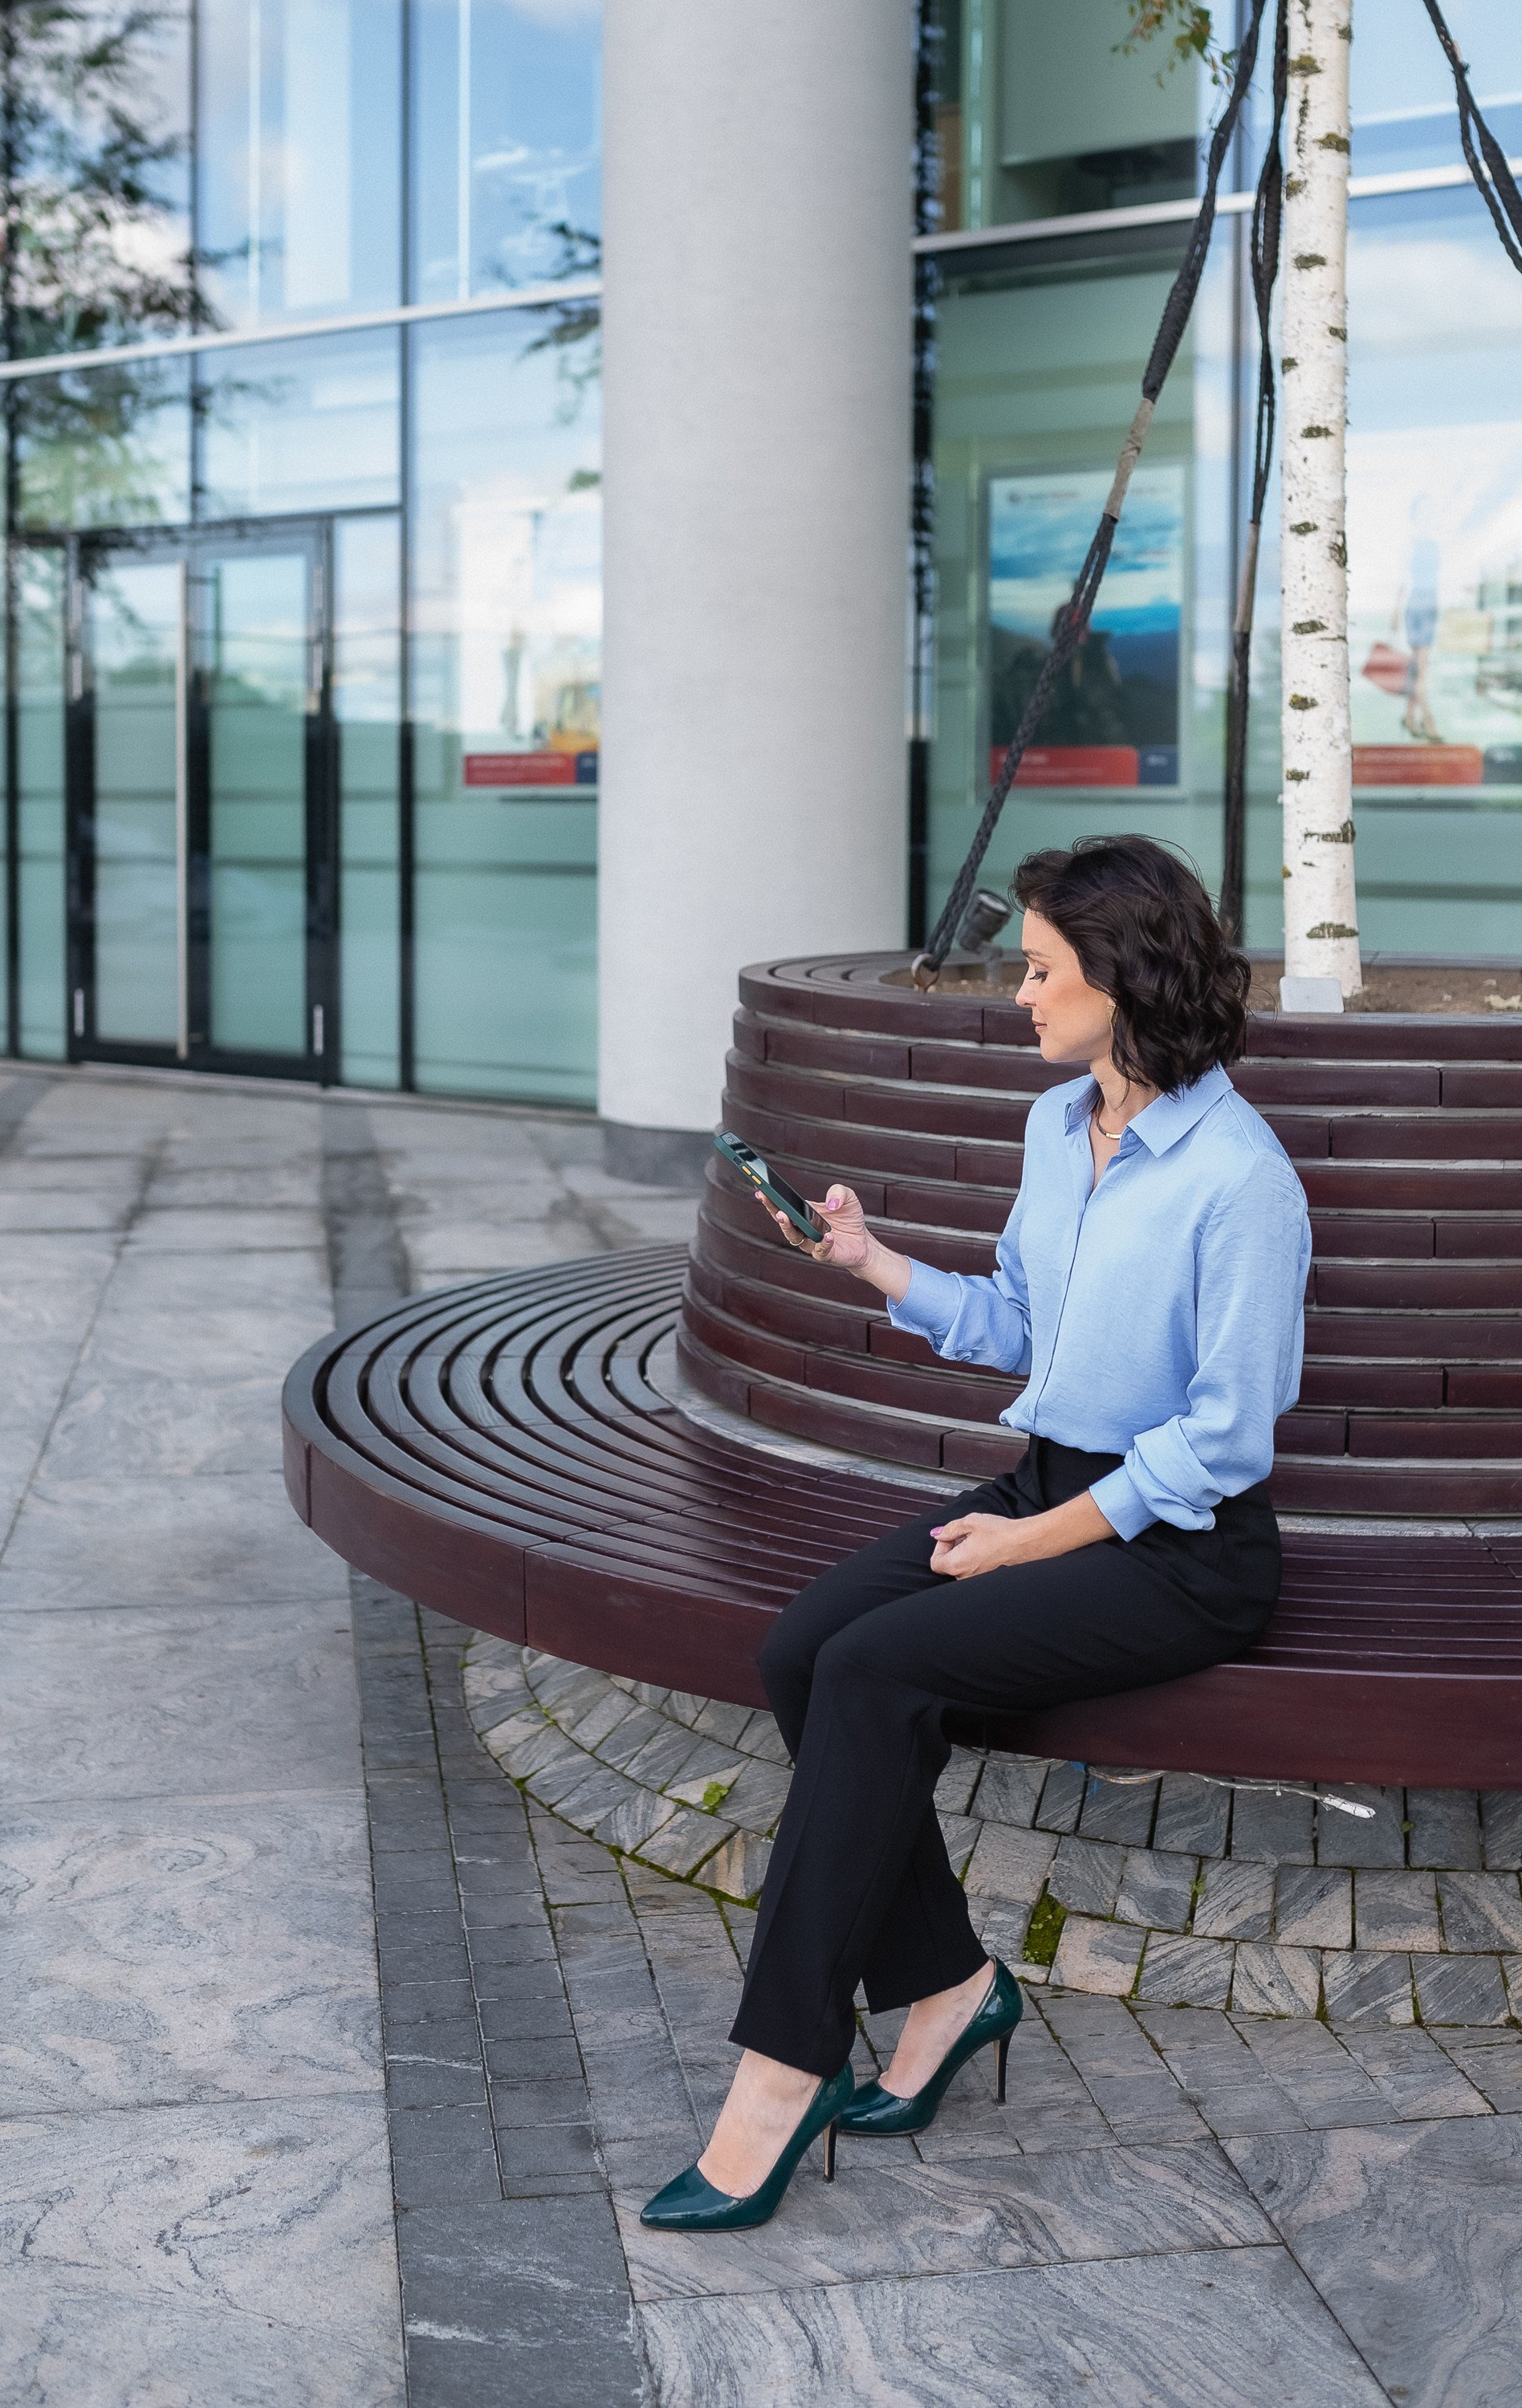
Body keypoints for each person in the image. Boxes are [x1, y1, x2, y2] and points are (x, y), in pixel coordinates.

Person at [639, 834, 1312, 2234]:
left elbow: (1227, 1437)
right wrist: (875, 1263)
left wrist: (1037, 1542)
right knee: (802, 1650)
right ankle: (950, 1987)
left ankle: (781, 2073)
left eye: (1042, 968)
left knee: (882, 1673)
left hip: (1176, 1546)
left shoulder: (1240, 1181)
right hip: (1044, 1489)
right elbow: (1020, 1321)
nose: (1020, 993)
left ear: (1120, 979)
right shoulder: (1057, 1129)